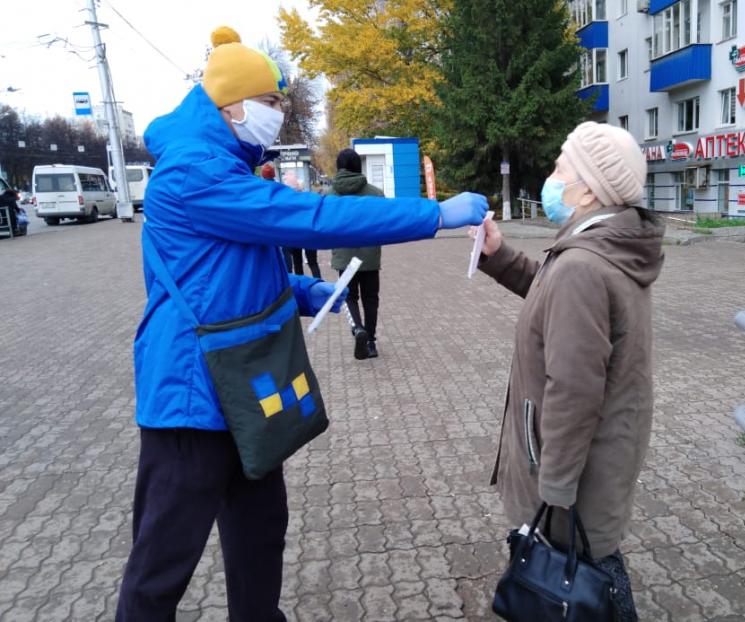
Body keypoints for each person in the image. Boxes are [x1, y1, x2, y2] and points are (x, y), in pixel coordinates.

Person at [116, 26, 486, 621]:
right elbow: (309, 216)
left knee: (260, 534)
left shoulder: (225, 167)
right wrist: (433, 214)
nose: (279, 113)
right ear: (230, 104)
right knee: (162, 563)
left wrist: (305, 290)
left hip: (242, 385)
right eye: (271, 102)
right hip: (191, 395)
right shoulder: (192, 172)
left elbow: (220, 276)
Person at [474, 122, 665, 621]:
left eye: (562, 168)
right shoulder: (600, 247)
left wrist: (554, 491)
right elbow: (552, 294)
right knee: (591, 572)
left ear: (587, 189)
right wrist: (500, 258)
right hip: (596, 459)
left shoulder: (584, 263)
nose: (552, 178)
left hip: (570, 475)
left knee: (581, 580)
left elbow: (575, 390)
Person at [325, 148, 384, 360]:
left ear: (338, 168)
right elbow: (384, 224)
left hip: (343, 256)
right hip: (370, 256)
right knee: (370, 298)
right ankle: (370, 342)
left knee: (349, 296)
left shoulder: (329, 197)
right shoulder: (376, 194)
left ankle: (358, 328)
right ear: (358, 167)